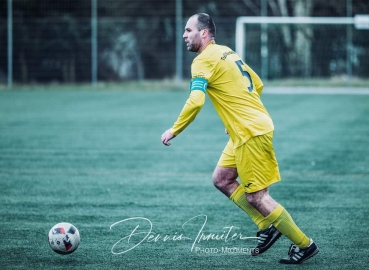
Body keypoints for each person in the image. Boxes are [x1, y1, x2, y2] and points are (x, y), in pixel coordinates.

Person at [161, 13, 319, 264]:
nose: (184, 35)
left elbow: (196, 100)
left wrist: (175, 129)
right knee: (222, 179)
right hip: (247, 128)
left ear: (204, 34)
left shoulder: (202, 61)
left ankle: (304, 244)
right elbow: (257, 83)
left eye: (188, 30)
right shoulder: (227, 52)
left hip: (250, 132)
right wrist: (238, 117)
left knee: (258, 197)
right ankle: (265, 226)